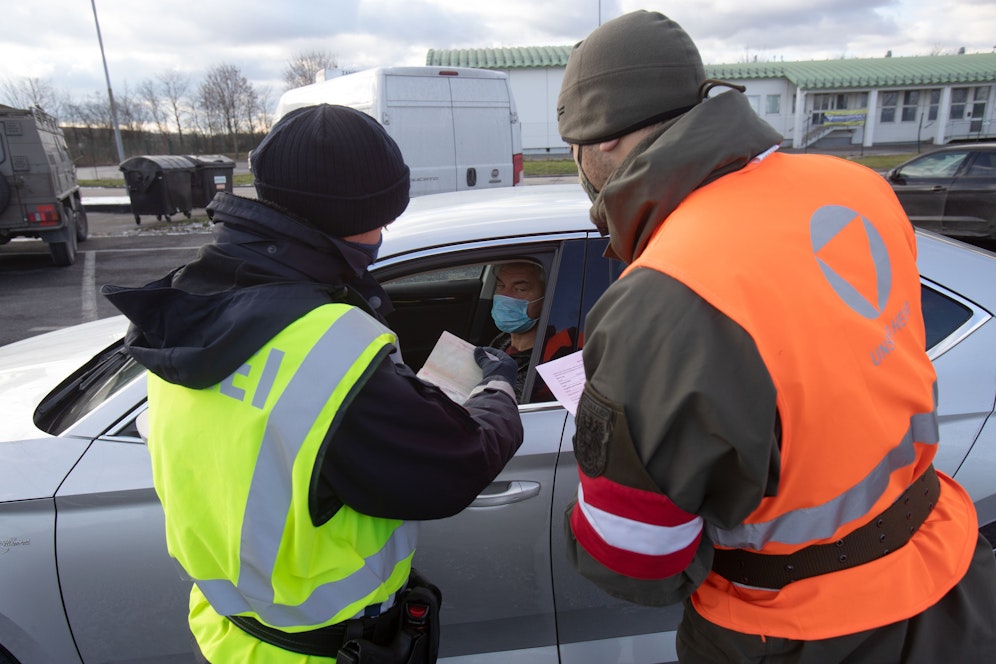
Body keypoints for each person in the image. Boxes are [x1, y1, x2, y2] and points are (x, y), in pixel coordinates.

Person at [557, 10, 996, 663]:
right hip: (949, 569)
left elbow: (635, 557)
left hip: (796, 631)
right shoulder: (856, 187)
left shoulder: (661, 296)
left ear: (603, 143)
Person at [101, 104, 523, 663]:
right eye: (382, 217)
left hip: (230, 636)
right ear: (354, 214)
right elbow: (456, 465)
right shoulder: (330, 349)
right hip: (322, 651)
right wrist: (498, 390)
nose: (383, 234)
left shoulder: (190, 307)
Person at [488, 261, 546, 397]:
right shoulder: (503, 340)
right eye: (500, 286)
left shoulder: (545, 361)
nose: (505, 295)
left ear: (545, 296)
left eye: (520, 289)